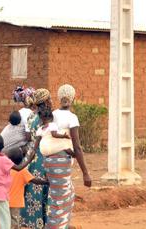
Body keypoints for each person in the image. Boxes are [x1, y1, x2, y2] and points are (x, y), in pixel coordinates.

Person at [43, 84, 92, 229]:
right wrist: (85, 173)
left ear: (59, 98)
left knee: (66, 196)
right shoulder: (72, 118)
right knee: (60, 201)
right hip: (60, 164)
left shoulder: (53, 115)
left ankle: (64, 225)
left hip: (49, 162)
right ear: (73, 98)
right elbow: (77, 146)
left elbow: (52, 138)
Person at [20, 89, 51, 229]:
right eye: (49, 99)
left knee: (32, 190)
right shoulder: (46, 119)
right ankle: (42, 223)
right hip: (42, 157)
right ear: (45, 101)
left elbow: (28, 138)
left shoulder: (31, 117)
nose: (51, 102)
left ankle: (30, 221)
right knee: (43, 189)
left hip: (30, 157)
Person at [7, 146, 47, 229]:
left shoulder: (6, 169)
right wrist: (46, 182)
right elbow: (35, 180)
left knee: (6, 219)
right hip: (15, 203)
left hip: (4, 201)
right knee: (14, 221)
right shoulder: (22, 171)